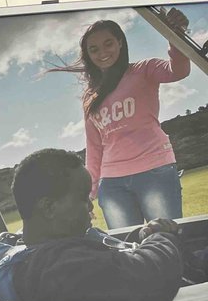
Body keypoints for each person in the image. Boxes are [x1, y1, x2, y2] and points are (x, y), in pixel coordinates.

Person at [0, 148, 183, 301]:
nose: (90, 206)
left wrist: (141, 237)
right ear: (49, 208)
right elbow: (148, 282)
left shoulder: (34, 245)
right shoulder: (59, 268)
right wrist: (160, 236)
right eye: (83, 198)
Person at [54, 13, 191, 228]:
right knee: (127, 252)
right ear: (88, 55)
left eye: (108, 44)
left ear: (120, 42)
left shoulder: (144, 69)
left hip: (155, 171)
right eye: (94, 49)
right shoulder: (90, 96)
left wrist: (176, 36)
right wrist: (88, 194)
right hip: (111, 184)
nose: (102, 53)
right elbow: (94, 147)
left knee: (169, 242)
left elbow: (179, 71)